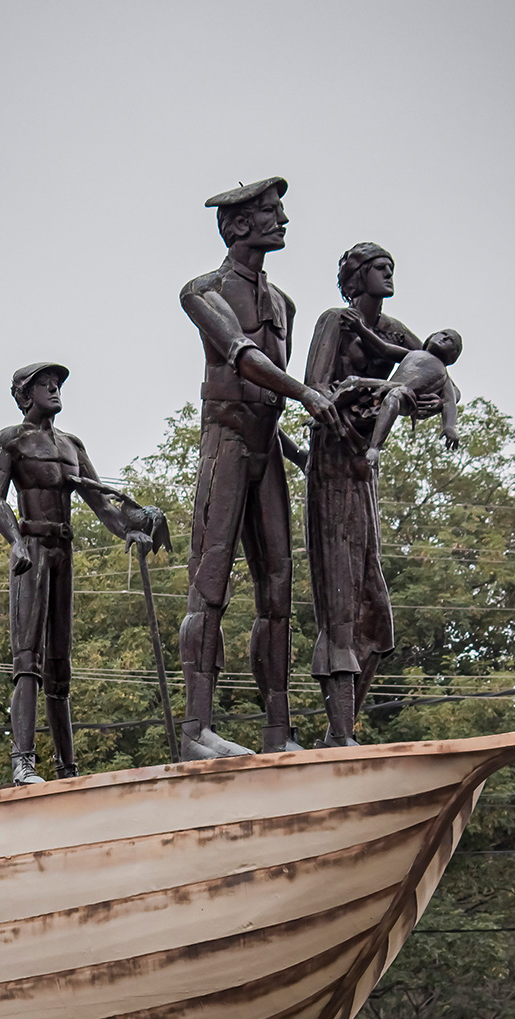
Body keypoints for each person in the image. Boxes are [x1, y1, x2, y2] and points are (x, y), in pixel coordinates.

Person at [178, 176, 344, 760]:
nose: (284, 221)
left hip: (268, 444)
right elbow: (243, 358)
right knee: (211, 584)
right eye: (273, 212)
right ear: (237, 224)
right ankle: (196, 729)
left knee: (278, 587)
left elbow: (288, 384)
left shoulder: (284, 304)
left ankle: (279, 730)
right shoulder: (202, 290)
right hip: (225, 441)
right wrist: (306, 394)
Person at [0, 362, 167, 785]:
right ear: (24, 395)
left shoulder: (72, 446)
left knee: (60, 664)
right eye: (44, 384)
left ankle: (68, 769)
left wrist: (133, 530)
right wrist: (14, 541)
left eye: (58, 383)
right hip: (31, 549)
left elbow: (102, 503)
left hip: (63, 551)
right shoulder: (11, 440)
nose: (54, 388)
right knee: (27, 657)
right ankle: (23, 763)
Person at [304, 243, 449, 747]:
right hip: (334, 460)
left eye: (392, 268)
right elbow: (314, 387)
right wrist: (364, 403)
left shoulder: (392, 332)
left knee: (377, 617)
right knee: (340, 598)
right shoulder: (335, 321)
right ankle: (340, 734)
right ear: (357, 276)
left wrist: (422, 404)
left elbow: (436, 371)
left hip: (365, 465)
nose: (389, 276)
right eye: (380, 269)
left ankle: (336, 733)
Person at [331, 327, 462, 470]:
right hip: (388, 386)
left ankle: (375, 448)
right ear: (431, 337)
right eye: (443, 334)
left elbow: (449, 402)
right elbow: (384, 348)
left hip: (407, 397)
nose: (444, 338)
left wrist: (449, 426)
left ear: (453, 355)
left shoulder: (444, 376)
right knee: (353, 381)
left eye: (451, 341)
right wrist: (360, 327)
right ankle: (327, 409)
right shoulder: (412, 354)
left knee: (396, 394)